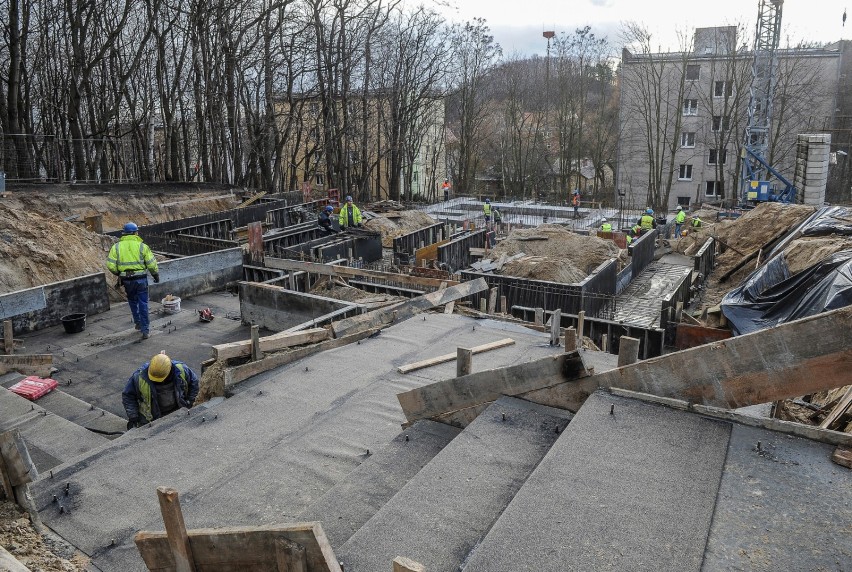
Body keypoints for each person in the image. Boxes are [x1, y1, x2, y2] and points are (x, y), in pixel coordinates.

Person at [106, 222, 159, 340]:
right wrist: (155, 275)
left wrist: (118, 273)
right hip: (140, 279)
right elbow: (151, 264)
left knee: (132, 301)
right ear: (136, 233)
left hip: (127, 280)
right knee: (143, 303)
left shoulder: (117, 247)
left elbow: (110, 265)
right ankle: (145, 330)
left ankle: (138, 323)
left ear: (124, 233)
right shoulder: (142, 246)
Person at [122, 352, 199, 429]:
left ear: (169, 371)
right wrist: (133, 416)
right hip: (151, 418)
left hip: (177, 410)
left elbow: (194, 383)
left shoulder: (181, 370)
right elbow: (128, 396)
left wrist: (190, 401)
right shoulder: (139, 377)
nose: (159, 382)